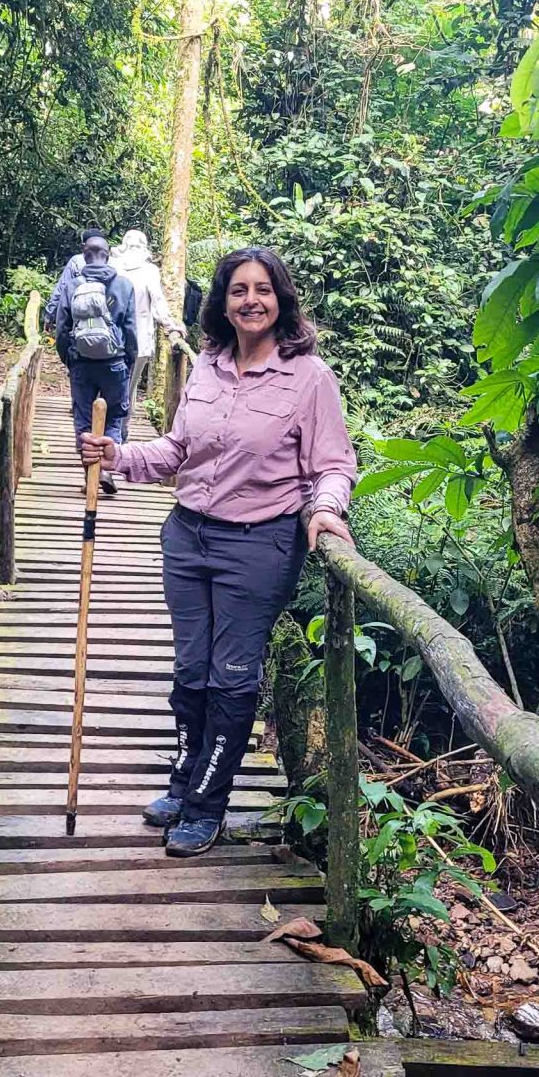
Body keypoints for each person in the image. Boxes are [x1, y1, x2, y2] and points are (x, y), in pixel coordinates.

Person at [78, 247, 356, 857]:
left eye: (262, 289)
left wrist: (328, 510)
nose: (250, 300)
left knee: (230, 679)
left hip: (259, 545)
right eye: (237, 290)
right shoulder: (205, 364)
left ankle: (208, 804)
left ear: (281, 299)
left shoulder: (309, 378)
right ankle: (184, 781)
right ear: (221, 302)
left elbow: (333, 464)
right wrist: (117, 456)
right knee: (190, 670)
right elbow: (178, 450)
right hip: (187, 536)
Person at [55, 233, 139, 495]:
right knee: (114, 416)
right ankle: (107, 468)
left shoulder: (72, 285)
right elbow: (130, 329)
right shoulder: (124, 285)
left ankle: (91, 475)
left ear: (84, 252)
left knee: (83, 418)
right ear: (108, 254)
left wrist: (69, 360)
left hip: (81, 363)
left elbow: (61, 329)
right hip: (115, 363)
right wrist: (128, 360)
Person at [109, 230, 185, 394]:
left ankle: (106, 418)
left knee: (110, 386)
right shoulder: (149, 270)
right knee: (128, 389)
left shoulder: (112, 265)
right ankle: (122, 419)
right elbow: (158, 301)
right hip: (139, 339)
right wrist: (170, 324)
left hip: (111, 336)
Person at [41, 228, 105, 332]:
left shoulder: (76, 261)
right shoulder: (113, 263)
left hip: (78, 317)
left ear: (84, 246)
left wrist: (49, 316)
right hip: (105, 320)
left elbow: (61, 289)